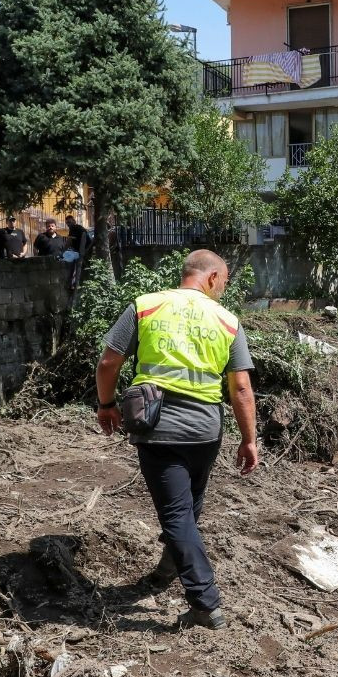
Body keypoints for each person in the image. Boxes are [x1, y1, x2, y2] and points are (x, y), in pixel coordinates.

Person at [94, 250, 258, 630]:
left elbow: (107, 364)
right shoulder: (228, 321)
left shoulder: (146, 306)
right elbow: (242, 389)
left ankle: (205, 604)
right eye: (226, 281)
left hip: (158, 428)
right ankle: (169, 568)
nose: (224, 288)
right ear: (213, 277)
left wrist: (106, 404)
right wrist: (249, 440)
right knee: (187, 511)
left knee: (177, 514)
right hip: (205, 432)